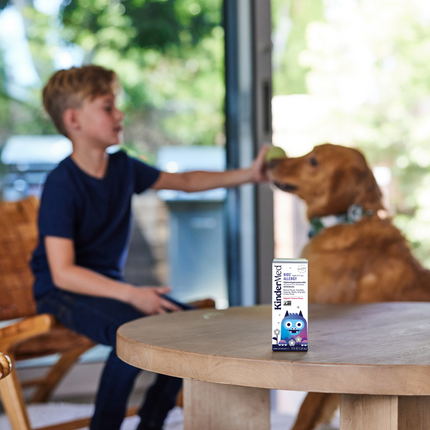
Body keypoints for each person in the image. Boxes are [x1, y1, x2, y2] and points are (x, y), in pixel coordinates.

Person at [31, 65, 268, 430]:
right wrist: (133, 294)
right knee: (132, 335)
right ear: (73, 119)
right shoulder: (61, 184)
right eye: (107, 107)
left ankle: (151, 423)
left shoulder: (123, 167)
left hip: (107, 286)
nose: (119, 113)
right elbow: (63, 272)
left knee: (184, 328)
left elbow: (186, 181)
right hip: (61, 291)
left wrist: (249, 175)